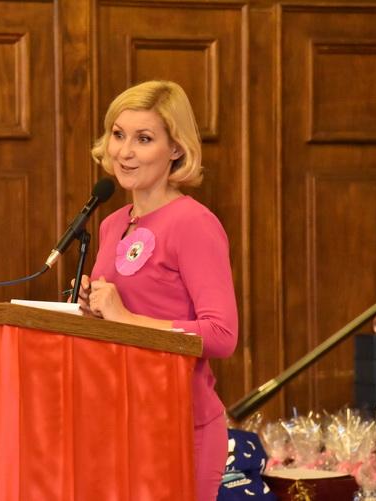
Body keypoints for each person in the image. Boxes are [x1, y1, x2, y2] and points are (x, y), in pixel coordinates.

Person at [73, 80, 238, 501]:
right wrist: (93, 310)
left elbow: (221, 335)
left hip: (179, 426)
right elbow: (121, 323)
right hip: (120, 422)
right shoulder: (113, 224)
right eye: (118, 134)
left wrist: (126, 318)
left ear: (176, 148)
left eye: (143, 139)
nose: (124, 152)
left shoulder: (194, 224)